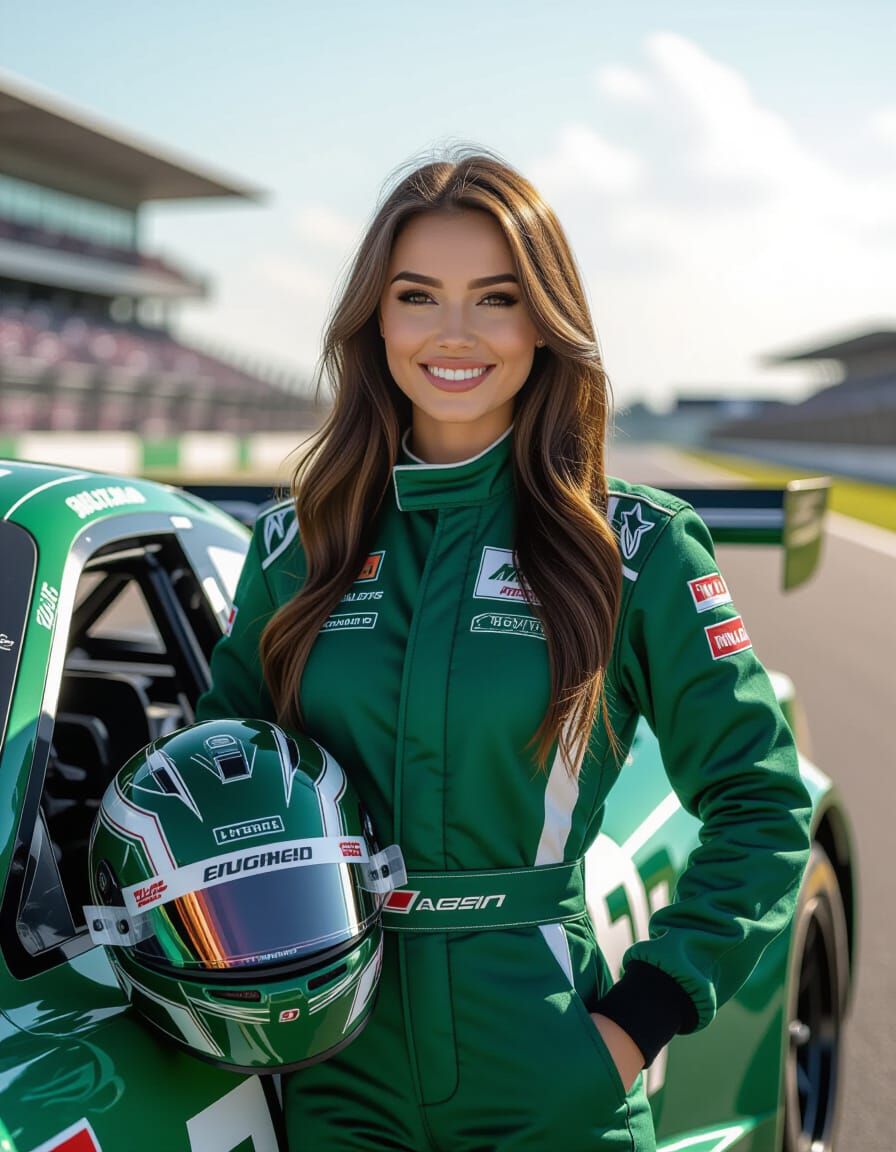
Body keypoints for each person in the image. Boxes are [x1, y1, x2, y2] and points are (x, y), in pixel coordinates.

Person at [196, 148, 812, 1151]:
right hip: (333, 1072)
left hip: (550, 1066)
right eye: (416, 296)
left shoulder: (633, 547)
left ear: (543, 322)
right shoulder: (297, 545)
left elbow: (761, 799)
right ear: (374, 320)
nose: (452, 333)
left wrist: (637, 1020)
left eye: (494, 297)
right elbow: (217, 773)